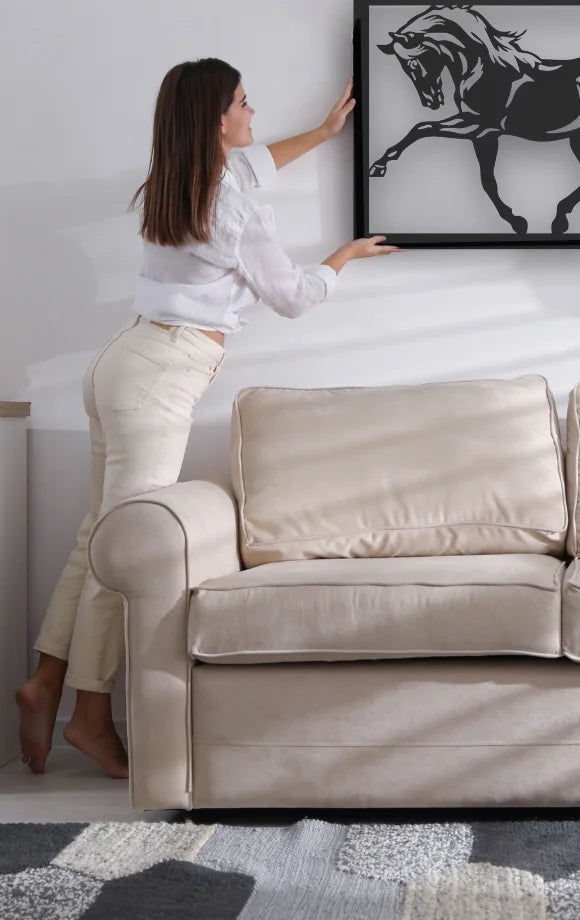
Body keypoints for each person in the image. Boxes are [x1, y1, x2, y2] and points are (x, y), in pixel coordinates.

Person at [15, 58, 398, 778]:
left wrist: (321, 132)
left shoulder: (179, 181)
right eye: (246, 104)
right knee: (118, 549)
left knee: (97, 533)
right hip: (161, 374)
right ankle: (90, 717)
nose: (255, 115)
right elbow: (288, 296)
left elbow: (253, 165)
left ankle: (44, 680)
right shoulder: (234, 208)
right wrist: (342, 257)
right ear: (218, 119)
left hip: (123, 360)